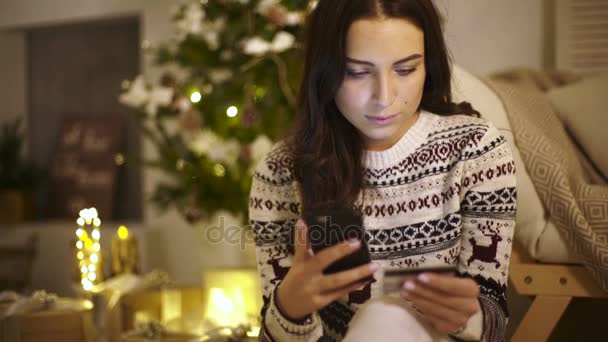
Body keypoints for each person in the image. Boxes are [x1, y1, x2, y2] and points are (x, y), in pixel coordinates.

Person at [248, 0, 516, 341]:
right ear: (325, 71)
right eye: (358, 72)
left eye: (405, 70)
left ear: (428, 66)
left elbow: (495, 324)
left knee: (384, 316)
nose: (384, 97)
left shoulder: (476, 152)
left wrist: (469, 316)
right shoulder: (282, 173)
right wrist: (288, 308)